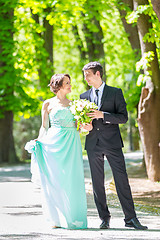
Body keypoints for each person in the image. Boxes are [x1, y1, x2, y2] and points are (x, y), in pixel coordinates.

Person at [80, 61, 148, 230]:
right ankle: (104, 218)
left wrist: (103, 114)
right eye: (84, 75)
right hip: (93, 143)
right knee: (97, 183)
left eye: (88, 74)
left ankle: (130, 219)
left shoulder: (115, 92)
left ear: (97, 74)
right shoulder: (83, 97)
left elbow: (123, 118)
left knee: (122, 181)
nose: (85, 78)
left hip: (112, 143)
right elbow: (82, 123)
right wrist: (84, 127)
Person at [25, 73, 87, 229]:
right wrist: (39, 139)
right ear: (58, 85)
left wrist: (85, 126)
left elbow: (79, 127)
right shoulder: (47, 104)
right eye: (67, 83)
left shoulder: (75, 104)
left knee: (72, 178)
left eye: (70, 82)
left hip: (72, 142)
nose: (70, 85)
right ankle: (56, 218)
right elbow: (44, 126)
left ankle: (72, 217)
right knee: (55, 178)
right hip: (54, 142)